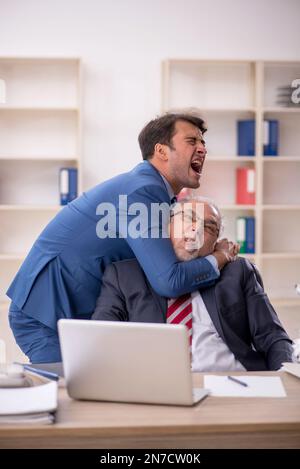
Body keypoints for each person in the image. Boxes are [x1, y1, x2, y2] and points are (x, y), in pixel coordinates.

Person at [7, 112, 236, 363]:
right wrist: (220, 256)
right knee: (75, 396)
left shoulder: (157, 194)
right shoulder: (144, 191)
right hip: (46, 314)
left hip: (71, 313)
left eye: (203, 143)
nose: (202, 149)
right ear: (161, 151)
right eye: (192, 141)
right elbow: (168, 280)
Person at [92, 198, 294, 371]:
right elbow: (100, 339)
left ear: (215, 241)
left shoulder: (238, 271)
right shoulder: (124, 275)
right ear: (167, 227)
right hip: (152, 385)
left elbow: (273, 336)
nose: (195, 230)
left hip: (231, 383)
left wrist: (284, 378)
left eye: (209, 227)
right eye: (188, 219)